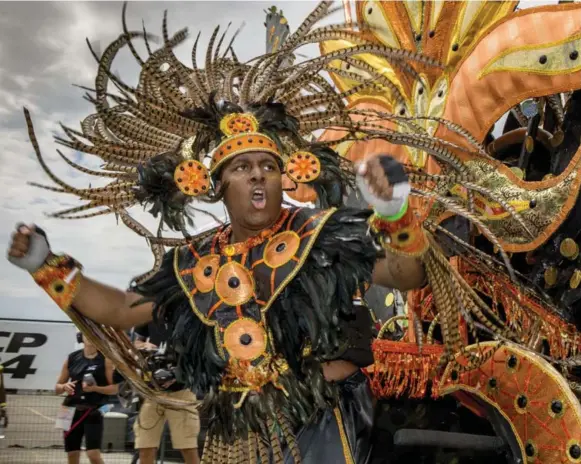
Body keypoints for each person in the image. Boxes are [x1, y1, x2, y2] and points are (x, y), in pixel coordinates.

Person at [5, 3, 490, 463]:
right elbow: (120, 310)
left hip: (324, 424)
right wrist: (45, 266)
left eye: (267, 166)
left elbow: (409, 274)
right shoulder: (195, 260)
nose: (257, 175)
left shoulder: (320, 234)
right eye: (241, 167)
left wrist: (396, 213)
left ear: (286, 176)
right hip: (236, 437)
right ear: (217, 186)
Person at [132, 323, 200, 464]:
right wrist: (144, 346)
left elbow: (198, 354)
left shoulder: (187, 314)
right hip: (152, 393)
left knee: (187, 448)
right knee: (145, 447)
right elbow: (137, 342)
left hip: (181, 392)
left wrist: (177, 374)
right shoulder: (147, 314)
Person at [55, 333, 118, 464]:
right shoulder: (72, 358)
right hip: (68, 409)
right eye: (86, 333)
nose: (90, 337)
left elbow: (115, 389)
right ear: (81, 337)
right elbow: (57, 388)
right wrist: (64, 386)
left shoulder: (105, 359)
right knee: (72, 453)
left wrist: (96, 389)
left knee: (93, 454)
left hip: (93, 410)